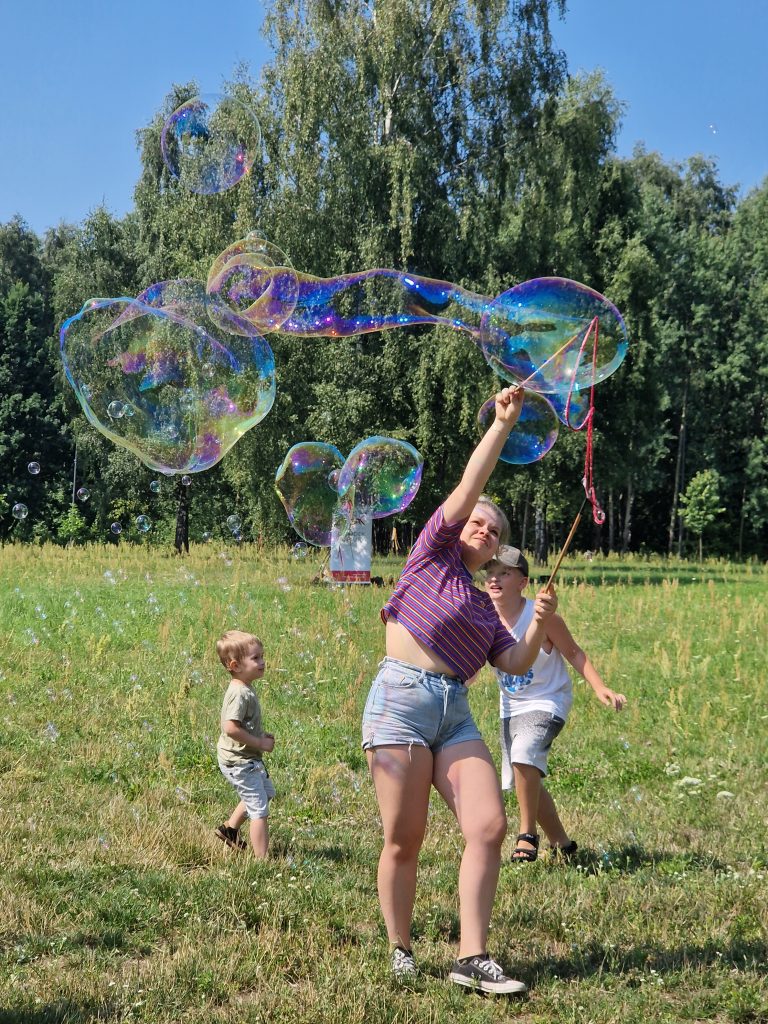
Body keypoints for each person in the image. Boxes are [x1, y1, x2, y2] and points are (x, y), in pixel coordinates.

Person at [362, 385, 558, 995]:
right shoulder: (432, 554)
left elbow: (516, 660)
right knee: (405, 838)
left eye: (494, 531)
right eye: (477, 520)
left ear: (498, 550)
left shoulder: (485, 609)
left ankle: (471, 957)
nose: (483, 527)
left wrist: (541, 619)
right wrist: (501, 426)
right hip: (399, 702)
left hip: (453, 715)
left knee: (489, 826)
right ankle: (400, 947)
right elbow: (471, 486)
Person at [484, 546, 627, 862]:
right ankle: (562, 843)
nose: (494, 579)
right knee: (525, 778)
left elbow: (574, 652)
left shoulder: (543, 617)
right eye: (490, 573)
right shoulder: (484, 620)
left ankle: (526, 834)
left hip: (547, 702)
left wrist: (600, 686)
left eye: (504, 573)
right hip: (510, 709)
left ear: (523, 582)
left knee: (524, 757)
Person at [215, 630, 276, 858]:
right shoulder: (239, 693)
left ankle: (229, 830)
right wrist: (258, 742)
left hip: (248, 758)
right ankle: (262, 862)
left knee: (266, 793)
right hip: (238, 761)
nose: (262, 662)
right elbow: (230, 727)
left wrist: (259, 734)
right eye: (255, 658)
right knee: (259, 809)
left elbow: (242, 725)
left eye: (262, 656)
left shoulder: (246, 687)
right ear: (235, 665)